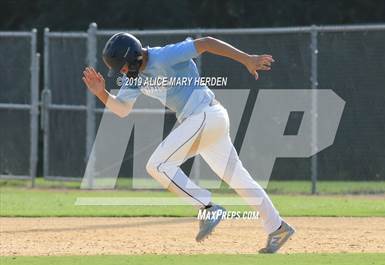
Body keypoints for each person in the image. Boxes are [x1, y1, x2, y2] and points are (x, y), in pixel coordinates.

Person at [82, 33, 295, 253]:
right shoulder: (134, 78)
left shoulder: (163, 56)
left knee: (157, 165)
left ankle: (207, 207)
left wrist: (246, 59)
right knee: (238, 178)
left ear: (134, 56)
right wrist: (102, 93)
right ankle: (277, 227)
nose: (123, 72)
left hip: (205, 116)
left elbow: (207, 43)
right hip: (207, 121)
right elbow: (122, 110)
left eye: (124, 67)